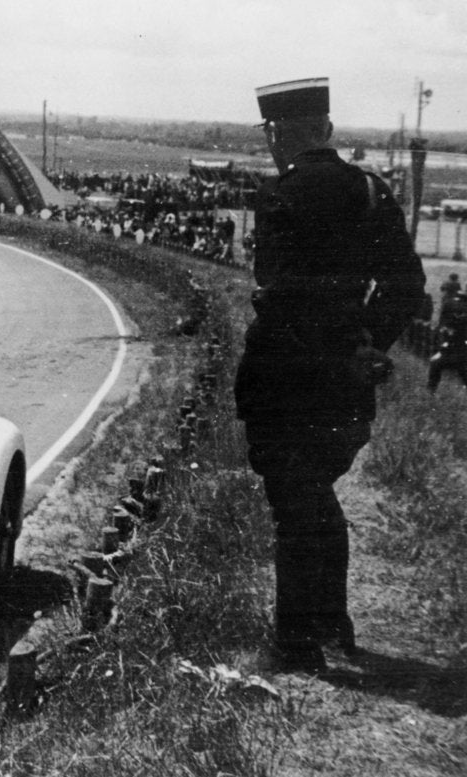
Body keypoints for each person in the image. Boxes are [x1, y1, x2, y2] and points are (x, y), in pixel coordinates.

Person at [234, 78, 425, 673]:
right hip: (346, 380)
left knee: (295, 502)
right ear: (328, 131)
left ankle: (297, 642)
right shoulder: (372, 193)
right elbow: (408, 286)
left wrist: (320, 346)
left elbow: (280, 293)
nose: (272, 143)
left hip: (286, 374)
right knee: (315, 492)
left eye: (274, 133)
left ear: (284, 134)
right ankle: (330, 621)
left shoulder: (280, 195)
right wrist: (366, 338)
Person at [427, 291, 467, 391]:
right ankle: (430, 391)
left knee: (437, 364)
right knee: (438, 364)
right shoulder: (456, 305)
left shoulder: (452, 304)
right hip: (458, 346)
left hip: (459, 347)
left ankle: (430, 391)